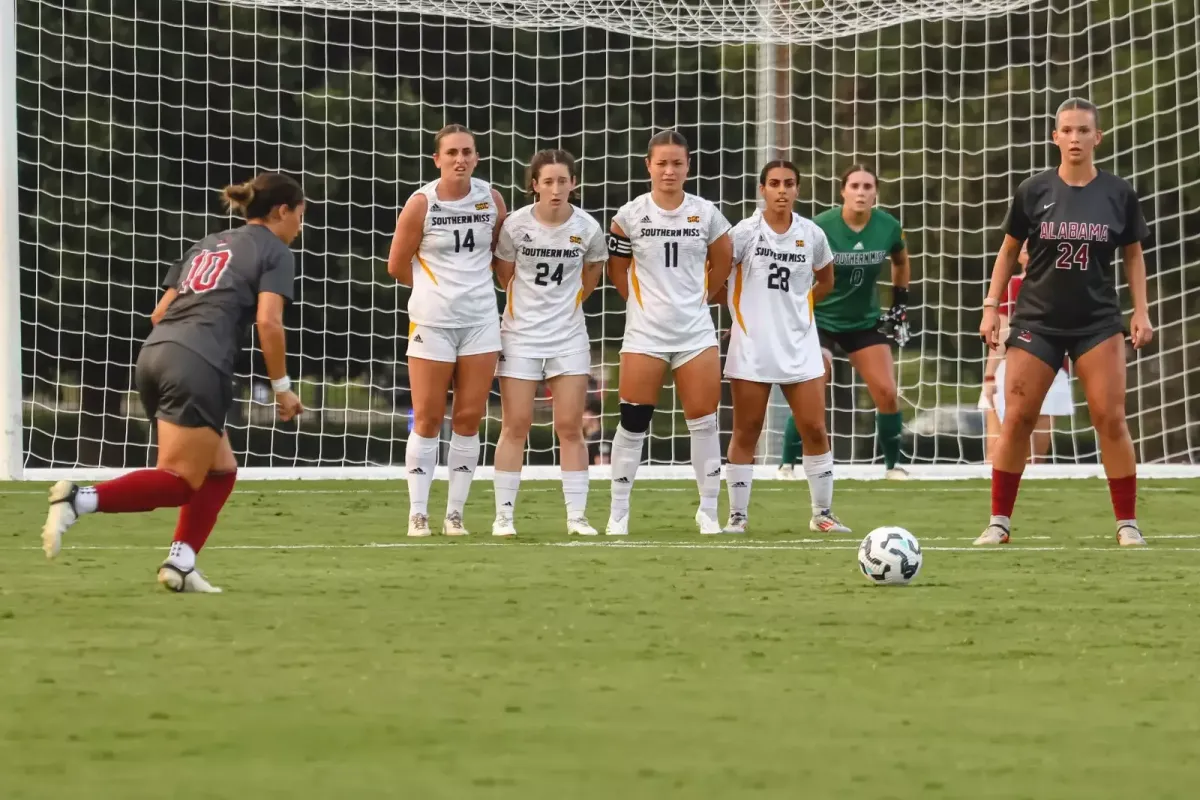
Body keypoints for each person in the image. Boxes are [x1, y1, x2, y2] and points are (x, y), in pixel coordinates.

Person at [40, 173, 307, 592]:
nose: (300, 226)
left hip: (155, 353)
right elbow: (268, 323)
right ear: (282, 211)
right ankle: (79, 499)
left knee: (220, 470)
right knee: (180, 480)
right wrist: (282, 387)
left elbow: (160, 312)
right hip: (197, 363)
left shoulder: (209, 243)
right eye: (300, 215)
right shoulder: (276, 251)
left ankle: (180, 564)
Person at [975, 97, 1152, 547]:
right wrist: (991, 305)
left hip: (1097, 323)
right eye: (1067, 130)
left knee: (1110, 418)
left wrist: (1142, 311)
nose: (1075, 138)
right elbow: (1009, 250)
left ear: (1098, 137)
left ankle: (1127, 524)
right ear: (1055, 137)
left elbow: (1133, 255)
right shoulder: (1033, 190)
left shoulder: (1118, 193)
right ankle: (999, 523)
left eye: (1083, 130)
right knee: (1017, 419)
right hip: (1037, 322)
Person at [605, 130, 733, 535]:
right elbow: (616, 270)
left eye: (677, 162)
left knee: (704, 421)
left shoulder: (707, 214)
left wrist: (699, 301)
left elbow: (723, 263)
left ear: (688, 166)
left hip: (695, 334)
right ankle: (618, 512)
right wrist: (642, 307)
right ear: (648, 166)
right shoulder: (629, 215)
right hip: (645, 334)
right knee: (633, 421)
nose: (669, 170)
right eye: (661, 162)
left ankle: (708, 510)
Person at [387, 124, 507, 537]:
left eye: (468, 152)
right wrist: (432, 291)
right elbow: (397, 264)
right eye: (452, 152)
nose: (460, 159)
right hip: (432, 321)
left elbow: (499, 255)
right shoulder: (421, 203)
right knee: (427, 417)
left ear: (476, 157)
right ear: (437, 159)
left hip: (480, 322)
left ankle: (455, 514)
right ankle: (417, 512)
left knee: (470, 418)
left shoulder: (491, 199)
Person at [721, 160, 850, 534]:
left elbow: (826, 279)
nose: (781, 190)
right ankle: (738, 516)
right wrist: (738, 313)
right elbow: (717, 282)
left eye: (789, 183)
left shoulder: (811, 234)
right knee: (747, 429)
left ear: (797, 189)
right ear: (762, 189)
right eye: (774, 183)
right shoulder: (743, 233)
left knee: (814, 427)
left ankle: (822, 514)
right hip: (752, 347)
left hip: (799, 344)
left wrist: (800, 306)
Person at [491, 149, 607, 537]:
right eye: (548, 181)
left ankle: (577, 517)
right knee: (516, 425)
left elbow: (592, 273)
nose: (556, 189)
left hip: (569, 337)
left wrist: (569, 304)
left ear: (574, 183)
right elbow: (503, 275)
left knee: (570, 426)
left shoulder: (588, 228)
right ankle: (504, 516)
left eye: (563, 181)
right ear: (534, 186)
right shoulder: (514, 226)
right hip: (520, 335)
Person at [777, 165, 911, 479]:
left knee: (887, 391)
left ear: (876, 192)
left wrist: (900, 304)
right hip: (820, 319)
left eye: (867, 187)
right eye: (855, 186)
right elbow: (796, 265)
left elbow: (901, 261)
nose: (861, 192)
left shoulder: (888, 226)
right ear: (843, 191)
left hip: (864, 322)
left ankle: (893, 466)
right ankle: (788, 463)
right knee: (814, 384)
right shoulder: (819, 227)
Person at [978, 241, 1073, 462]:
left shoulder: (1063, 288)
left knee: (1030, 459)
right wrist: (990, 376)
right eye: (1026, 249)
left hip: (1049, 370)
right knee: (997, 455)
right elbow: (999, 334)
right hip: (1012, 370)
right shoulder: (1012, 286)